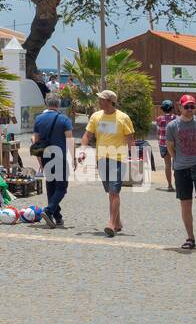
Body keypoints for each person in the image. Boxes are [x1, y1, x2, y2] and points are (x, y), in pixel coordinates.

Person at [76, 89, 135, 238]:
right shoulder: (96, 117)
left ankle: (111, 223)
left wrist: (134, 159)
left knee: (114, 192)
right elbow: (87, 135)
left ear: (110, 101)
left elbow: (130, 140)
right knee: (111, 192)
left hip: (118, 159)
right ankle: (118, 222)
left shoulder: (123, 118)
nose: (99, 101)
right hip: (101, 159)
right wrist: (82, 150)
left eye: (102, 99)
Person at [165, 94, 196, 249]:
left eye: (192, 106)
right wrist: (178, 160)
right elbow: (170, 147)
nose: (190, 109)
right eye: (187, 107)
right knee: (186, 204)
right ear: (180, 106)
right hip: (181, 167)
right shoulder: (172, 126)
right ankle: (190, 237)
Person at [31, 92, 73, 228]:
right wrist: (74, 158)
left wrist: (40, 162)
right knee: (61, 188)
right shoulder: (64, 119)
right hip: (59, 156)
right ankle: (49, 211)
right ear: (58, 104)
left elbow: (36, 142)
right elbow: (70, 140)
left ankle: (57, 216)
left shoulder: (38, 119)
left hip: (46, 157)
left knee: (51, 187)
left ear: (46, 104)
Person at [154, 99, 176, 191]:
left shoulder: (159, 119)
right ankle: (178, 184)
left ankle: (170, 185)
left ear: (162, 109)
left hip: (163, 144)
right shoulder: (176, 118)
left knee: (167, 165)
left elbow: (158, 133)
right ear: (172, 108)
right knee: (177, 164)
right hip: (175, 144)